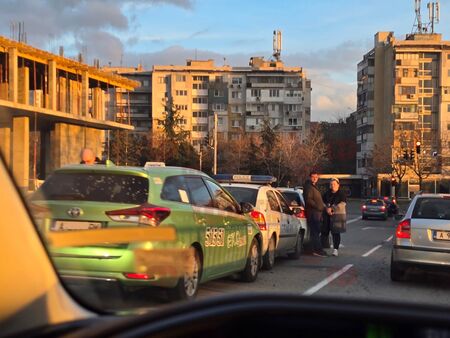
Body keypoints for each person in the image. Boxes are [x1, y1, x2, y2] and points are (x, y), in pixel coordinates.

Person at [303, 171, 327, 257]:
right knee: (315, 232)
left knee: (316, 232)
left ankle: (313, 249)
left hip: (317, 213)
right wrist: (318, 206)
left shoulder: (313, 186)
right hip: (313, 213)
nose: (315, 178)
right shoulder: (309, 187)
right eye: (313, 177)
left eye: (316, 177)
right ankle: (317, 250)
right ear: (310, 177)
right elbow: (308, 200)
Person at [322, 178, 347, 257]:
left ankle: (335, 249)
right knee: (324, 231)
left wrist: (332, 208)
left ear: (338, 185)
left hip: (337, 216)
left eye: (334, 184)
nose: (332, 186)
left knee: (336, 233)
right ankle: (323, 248)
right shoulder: (326, 193)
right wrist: (326, 208)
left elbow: (343, 204)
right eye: (331, 184)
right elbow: (322, 202)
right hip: (327, 215)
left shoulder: (341, 194)